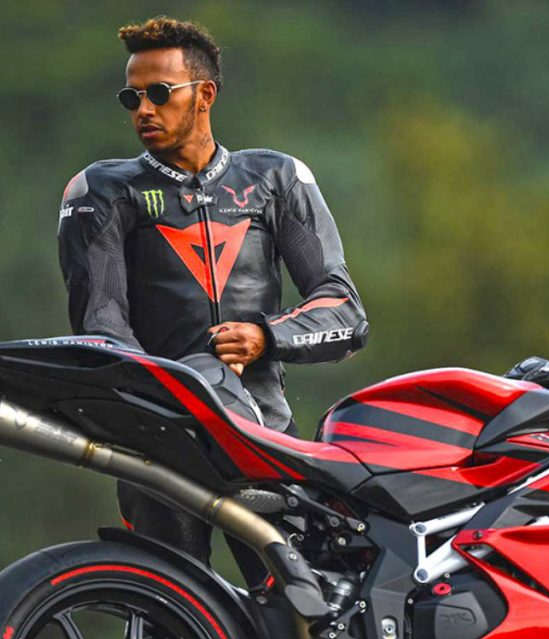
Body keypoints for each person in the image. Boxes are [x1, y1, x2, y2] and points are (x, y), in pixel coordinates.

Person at [56, 16, 368, 579]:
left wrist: (266, 337)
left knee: (303, 610)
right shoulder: (101, 189)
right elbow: (102, 325)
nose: (142, 110)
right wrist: (175, 395)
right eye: (131, 97)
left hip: (264, 434)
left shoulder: (277, 178)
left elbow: (345, 310)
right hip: (157, 439)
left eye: (158, 93)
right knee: (172, 608)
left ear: (205, 95)